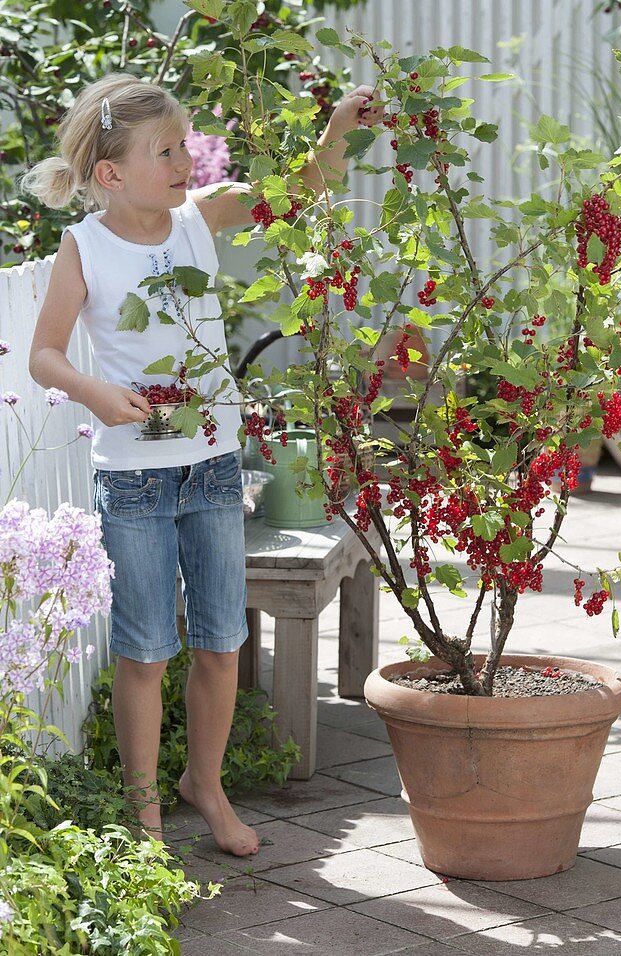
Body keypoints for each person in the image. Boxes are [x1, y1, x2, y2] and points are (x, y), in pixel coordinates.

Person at [24, 71, 380, 854]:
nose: (187, 160)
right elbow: (45, 356)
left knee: (222, 642)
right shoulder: (83, 247)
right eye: (167, 150)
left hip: (215, 466)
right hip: (135, 480)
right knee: (145, 650)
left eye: (187, 143)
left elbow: (301, 187)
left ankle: (205, 785)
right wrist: (95, 391)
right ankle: (145, 805)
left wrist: (340, 130)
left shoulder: (198, 219)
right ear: (111, 174)